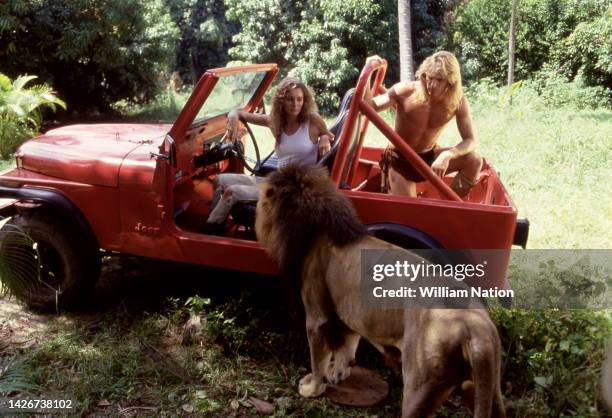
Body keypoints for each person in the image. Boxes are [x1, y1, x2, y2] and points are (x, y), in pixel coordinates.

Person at [203, 77, 333, 234]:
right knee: (219, 180)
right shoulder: (276, 123)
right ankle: (218, 222)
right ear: (281, 101)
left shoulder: (312, 121)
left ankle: (210, 232)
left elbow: (328, 135)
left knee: (231, 191)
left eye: (299, 99)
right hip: (276, 181)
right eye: (290, 99)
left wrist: (324, 138)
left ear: (305, 101)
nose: (295, 104)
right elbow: (239, 113)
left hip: (294, 189)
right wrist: (233, 118)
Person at [365, 51, 482, 197]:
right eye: (429, 77)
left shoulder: (457, 101)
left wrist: (448, 155)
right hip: (400, 160)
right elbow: (368, 107)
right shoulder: (406, 90)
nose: (432, 85)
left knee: (474, 161)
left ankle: (447, 209)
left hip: (428, 157)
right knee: (411, 213)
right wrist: (367, 76)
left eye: (439, 80)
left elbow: (470, 140)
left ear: (450, 82)